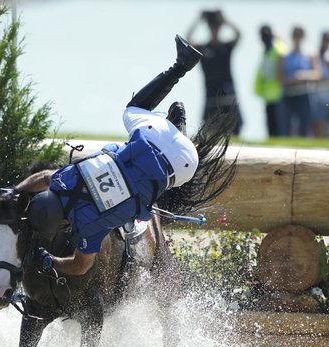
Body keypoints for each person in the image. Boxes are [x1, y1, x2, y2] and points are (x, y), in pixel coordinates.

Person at [13, 35, 202, 276]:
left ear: (61, 224)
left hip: (185, 167)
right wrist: (16, 191)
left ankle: (180, 133)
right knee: (132, 110)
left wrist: (51, 261)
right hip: (156, 137)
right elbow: (44, 178)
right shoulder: (65, 180)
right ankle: (181, 66)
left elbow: (80, 265)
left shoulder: (86, 229)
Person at [186, 9, 243, 135]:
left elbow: (239, 34)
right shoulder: (203, 48)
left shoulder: (226, 47)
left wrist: (225, 20)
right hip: (211, 96)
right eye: (212, 29)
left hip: (228, 95)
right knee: (209, 132)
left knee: (234, 131)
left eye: (217, 28)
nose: (215, 31)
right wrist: (198, 21)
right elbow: (188, 40)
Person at [278, 25, 320, 137]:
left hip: (304, 93)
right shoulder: (284, 56)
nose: (297, 38)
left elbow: (317, 74)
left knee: (304, 125)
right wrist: (293, 80)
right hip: (288, 93)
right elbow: (280, 77)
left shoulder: (310, 55)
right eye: (295, 35)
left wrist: (303, 76)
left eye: (300, 35)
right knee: (285, 125)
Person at [254, 24, 287, 137]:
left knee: (279, 128)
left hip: (278, 95)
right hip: (268, 95)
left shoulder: (278, 49)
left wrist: (276, 34)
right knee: (271, 128)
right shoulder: (266, 51)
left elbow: (282, 44)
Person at [311, 30, 329, 138]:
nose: (327, 43)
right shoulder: (317, 56)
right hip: (318, 95)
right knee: (320, 122)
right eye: (325, 40)